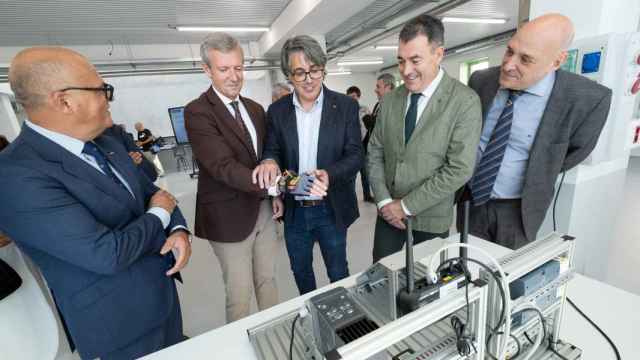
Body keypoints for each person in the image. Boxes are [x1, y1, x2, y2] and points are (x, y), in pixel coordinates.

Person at [0, 47, 191, 360]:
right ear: (64, 100)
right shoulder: (14, 175)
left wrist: (179, 228)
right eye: (102, 90)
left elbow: (151, 191)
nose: (108, 98)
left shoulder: (107, 140)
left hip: (164, 296)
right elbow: (106, 253)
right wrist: (159, 214)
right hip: (119, 327)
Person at [457, 14, 612, 250]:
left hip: (519, 211)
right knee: (464, 266)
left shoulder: (588, 99)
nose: (508, 65)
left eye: (525, 59)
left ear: (557, 61)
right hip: (471, 199)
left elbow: (574, 152)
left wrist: (538, 170)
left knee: (508, 275)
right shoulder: (481, 80)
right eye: (510, 51)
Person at [253, 35, 364, 295]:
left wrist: (329, 174)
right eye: (300, 72)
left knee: (338, 271)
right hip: (295, 209)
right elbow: (273, 150)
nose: (309, 79)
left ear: (323, 68)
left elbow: (355, 155)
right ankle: (311, 316)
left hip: (331, 206)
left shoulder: (346, 106)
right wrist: (269, 161)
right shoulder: (277, 111)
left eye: (315, 70)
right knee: (301, 271)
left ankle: (344, 320)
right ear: (289, 76)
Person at [184, 32, 282, 323]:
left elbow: (267, 154)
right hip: (228, 217)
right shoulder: (198, 112)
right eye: (224, 69)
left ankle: (276, 335)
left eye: (238, 68)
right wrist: (274, 184)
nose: (234, 76)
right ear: (207, 70)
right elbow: (222, 166)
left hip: (264, 210)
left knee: (267, 280)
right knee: (239, 295)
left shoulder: (255, 109)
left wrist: (274, 194)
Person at [367, 15, 482, 263]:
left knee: (426, 284)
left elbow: (459, 168)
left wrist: (405, 206)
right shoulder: (389, 101)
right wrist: (385, 201)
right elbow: (375, 153)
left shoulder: (464, 101)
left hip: (430, 218)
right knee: (381, 275)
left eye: (415, 60)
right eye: (400, 61)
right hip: (387, 214)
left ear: (438, 54)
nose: (406, 71)